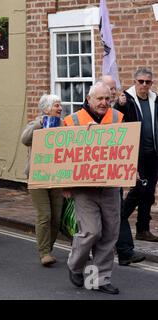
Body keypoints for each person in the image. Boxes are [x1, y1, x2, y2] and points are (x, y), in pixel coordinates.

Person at [64, 81, 123, 295]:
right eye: (99, 98)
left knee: (109, 234)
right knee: (91, 231)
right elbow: (63, 156)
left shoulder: (118, 118)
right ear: (89, 99)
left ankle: (99, 279)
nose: (104, 103)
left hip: (110, 186)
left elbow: (126, 147)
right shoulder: (72, 121)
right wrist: (66, 185)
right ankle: (75, 264)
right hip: (84, 188)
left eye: (108, 99)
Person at [114, 67, 158, 266]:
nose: (144, 85)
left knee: (149, 192)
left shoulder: (155, 99)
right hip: (135, 153)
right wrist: (118, 105)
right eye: (141, 81)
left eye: (148, 82)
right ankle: (120, 219)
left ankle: (143, 229)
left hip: (153, 153)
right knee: (139, 189)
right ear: (135, 81)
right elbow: (117, 119)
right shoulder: (127, 100)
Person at [21, 94, 63, 266]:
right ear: (46, 109)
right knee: (44, 215)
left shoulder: (64, 124)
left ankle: (48, 248)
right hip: (37, 175)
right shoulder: (36, 124)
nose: (60, 108)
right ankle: (44, 252)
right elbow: (25, 139)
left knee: (56, 217)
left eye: (60, 105)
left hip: (57, 175)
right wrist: (41, 123)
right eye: (56, 106)